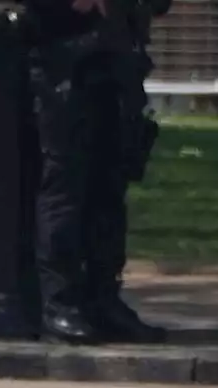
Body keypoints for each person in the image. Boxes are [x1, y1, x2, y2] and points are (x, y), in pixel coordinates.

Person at [23, 0, 169, 344]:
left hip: (117, 63)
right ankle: (61, 303)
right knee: (65, 189)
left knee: (109, 191)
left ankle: (104, 298)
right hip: (64, 69)